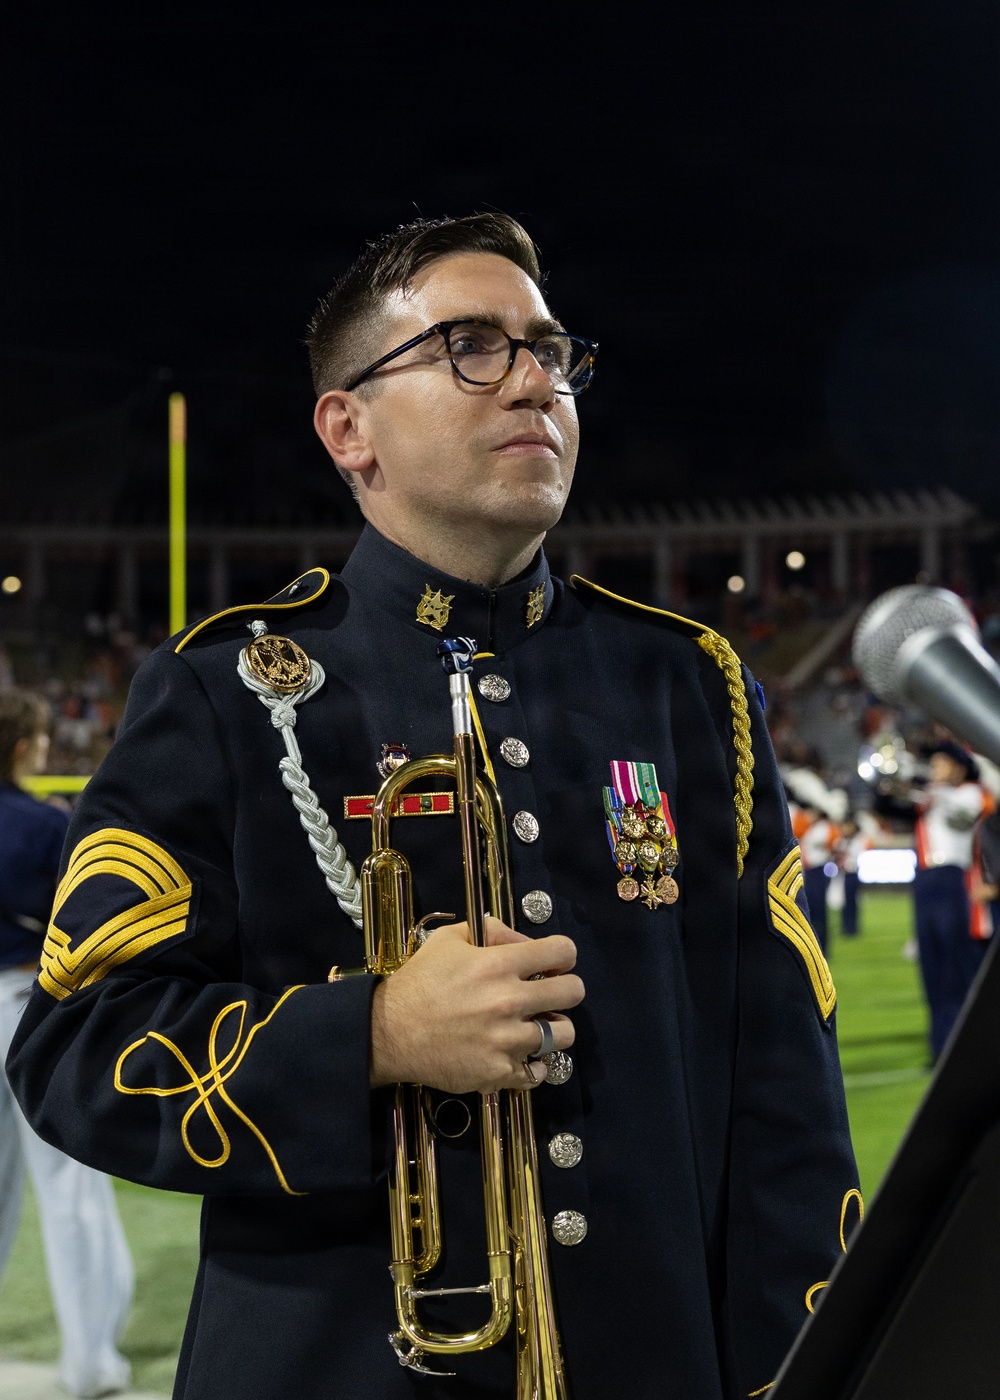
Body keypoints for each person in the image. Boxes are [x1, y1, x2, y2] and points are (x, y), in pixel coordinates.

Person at [7, 213, 858, 1400]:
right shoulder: (221, 691)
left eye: (552, 349)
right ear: (347, 428)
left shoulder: (687, 683)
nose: (533, 378)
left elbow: (784, 1095)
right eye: (470, 344)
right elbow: (74, 1051)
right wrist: (373, 1034)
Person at [0, 688, 134, 1399]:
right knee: (69, 1186)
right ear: (24, 749)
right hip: (26, 1003)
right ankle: (89, 1364)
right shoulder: (43, 824)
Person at [912, 740, 987, 1059]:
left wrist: (932, 790)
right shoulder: (931, 797)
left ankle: (961, 1046)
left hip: (952, 879)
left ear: (958, 767)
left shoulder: (968, 793)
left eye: (941, 763)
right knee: (931, 966)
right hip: (925, 879)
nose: (934, 769)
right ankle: (939, 1045)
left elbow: (962, 815)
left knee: (954, 967)